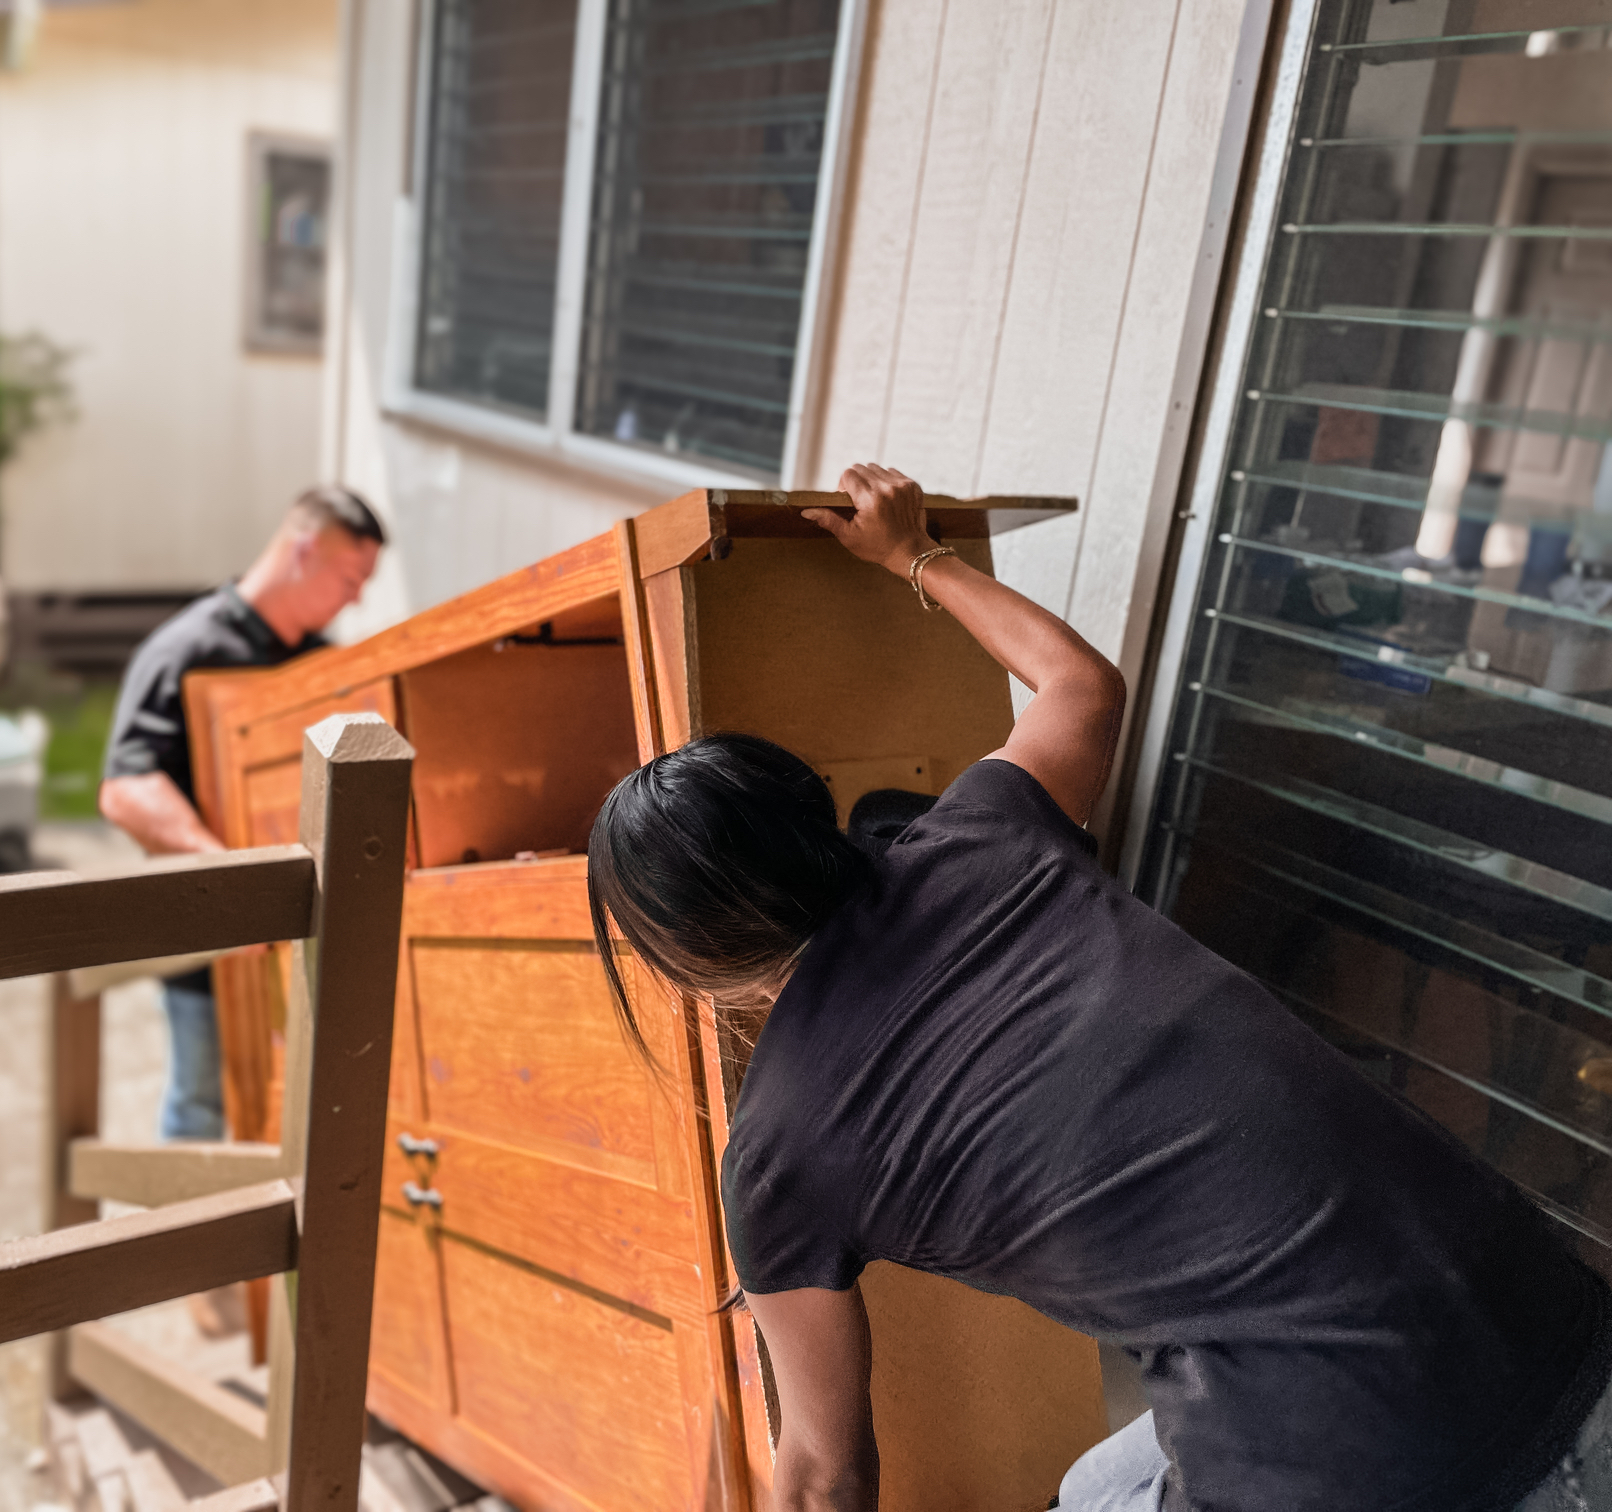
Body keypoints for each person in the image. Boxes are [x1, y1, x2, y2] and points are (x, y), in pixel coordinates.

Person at [585, 463, 1612, 1512]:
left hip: (1387, 1469)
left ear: (687, 964)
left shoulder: (776, 1155)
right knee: (1091, 1485)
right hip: (1555, 1323)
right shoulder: (983, 833)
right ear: (811, 817)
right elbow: (1083, 684)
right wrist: (913, 554)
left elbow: (821, 1474)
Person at [100, 484, 385, 1141]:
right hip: (205, 934)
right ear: (305, 550)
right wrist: (232, 876)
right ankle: (182, 1242)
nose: (357, 596)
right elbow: (124, 788)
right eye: (351, 575)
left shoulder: (321, 661)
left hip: (303, 937)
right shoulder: (185, 651)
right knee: (201, 1105)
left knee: (298, 1108)